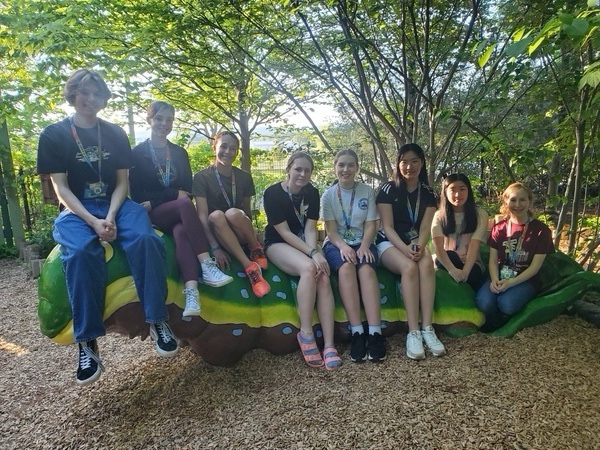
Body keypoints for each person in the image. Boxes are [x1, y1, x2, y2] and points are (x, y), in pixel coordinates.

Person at [37, 69, 178, 387]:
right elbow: (61, 188)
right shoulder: (54, 135)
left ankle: (157, 320)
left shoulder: (114, 133)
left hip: (116, 205)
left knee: (145, 239)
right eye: (85, 92)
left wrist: (112, 216)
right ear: (73, 93)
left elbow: (122, 183)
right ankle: (87, 343)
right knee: (82, 252)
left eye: (97, 93)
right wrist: (92, 221)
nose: (91, 99)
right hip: (76, 210)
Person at [130, 101, 233, 319]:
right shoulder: (137, 153)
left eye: (169, 119)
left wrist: (164, 197)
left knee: (181, 231)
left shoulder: (179, 153)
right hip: (151, 214)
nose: (164, 124)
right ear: (149, 120)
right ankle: (207, 264)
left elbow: (186, 190)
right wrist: (169, 196)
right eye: (159, 118)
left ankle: (192, 293)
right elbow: (139, 197)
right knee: (184, 205)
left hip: (176, 213)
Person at [263, 152, 342, 370]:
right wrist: (312, 253)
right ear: (288, 169)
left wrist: (314, 251)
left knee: (323, 275)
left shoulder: (312, 192)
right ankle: (306, 333)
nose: (303, 174)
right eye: (298, 169)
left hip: (304, 243)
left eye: (307, 170)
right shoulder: (272, 193)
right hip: (278, 244)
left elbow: (309, 227)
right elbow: (285, 232)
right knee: (309, 268)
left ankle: (328, 344)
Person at [375, 143, 446, 360]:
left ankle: (428, 328)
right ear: (398, 164)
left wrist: (420, 246)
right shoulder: (387, 190)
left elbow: (425, 227)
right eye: (404, 161)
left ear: (422, 163)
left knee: (425, 264)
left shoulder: (428, 193)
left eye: (414, 161)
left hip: (415, 242)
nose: (409, 166)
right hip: (389, 243)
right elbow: (386, 226)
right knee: (408, 266)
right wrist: (405, 248)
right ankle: (413, 331)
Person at [321, 149, 385, 362]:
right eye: (341, 165)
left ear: (357, 167)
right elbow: (331, 231)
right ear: (335, 167)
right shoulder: (328, 196)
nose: (345, 169)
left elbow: (371, 224)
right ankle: (357, 331)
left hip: (363, 241)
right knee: (347, 268)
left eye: (350, 165)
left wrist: (365, 245)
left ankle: (375, 332)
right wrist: (343, 247)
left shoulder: (367, 191)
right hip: (337, 244)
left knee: (366, 269)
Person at [192, 131, 270, 298]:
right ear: (214, 148)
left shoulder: (244, 177)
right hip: (220, 233)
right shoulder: (201, 177)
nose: (228, 152)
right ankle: (250, 267)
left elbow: (247, 213)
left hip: (240, 229)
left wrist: (254, 235)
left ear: (237, 152)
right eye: (224, 146)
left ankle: (256, 249)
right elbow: (202, 217)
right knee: (216, 215)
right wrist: (215, 247)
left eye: (233, 148)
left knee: (233, 213)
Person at [475, 182, 554, 331]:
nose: (518, 204)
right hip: (500, 275)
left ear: (530, 201)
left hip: (526, 279)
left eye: (523, 200)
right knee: (483, 301)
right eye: (513, 200)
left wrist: (511, 283)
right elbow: (492, 261)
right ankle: (492, 321)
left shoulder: (541, 231)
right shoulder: (499, 228)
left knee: (507, 304)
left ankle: (505, 320)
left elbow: (535, 267)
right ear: (506, 201)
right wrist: (494, 280)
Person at [431, 173, 489, 291]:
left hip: (471, 263)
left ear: (468, 190)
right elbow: (438, 247)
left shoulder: (480, 214)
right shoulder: (439, 215)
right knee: (450, 255)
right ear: (445, 192)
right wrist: (452, 270)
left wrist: (465, 272)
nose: (458, 194)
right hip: (447, 260)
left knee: (473, 275)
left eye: (462, 189)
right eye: (453, 190)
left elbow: (474, 245)